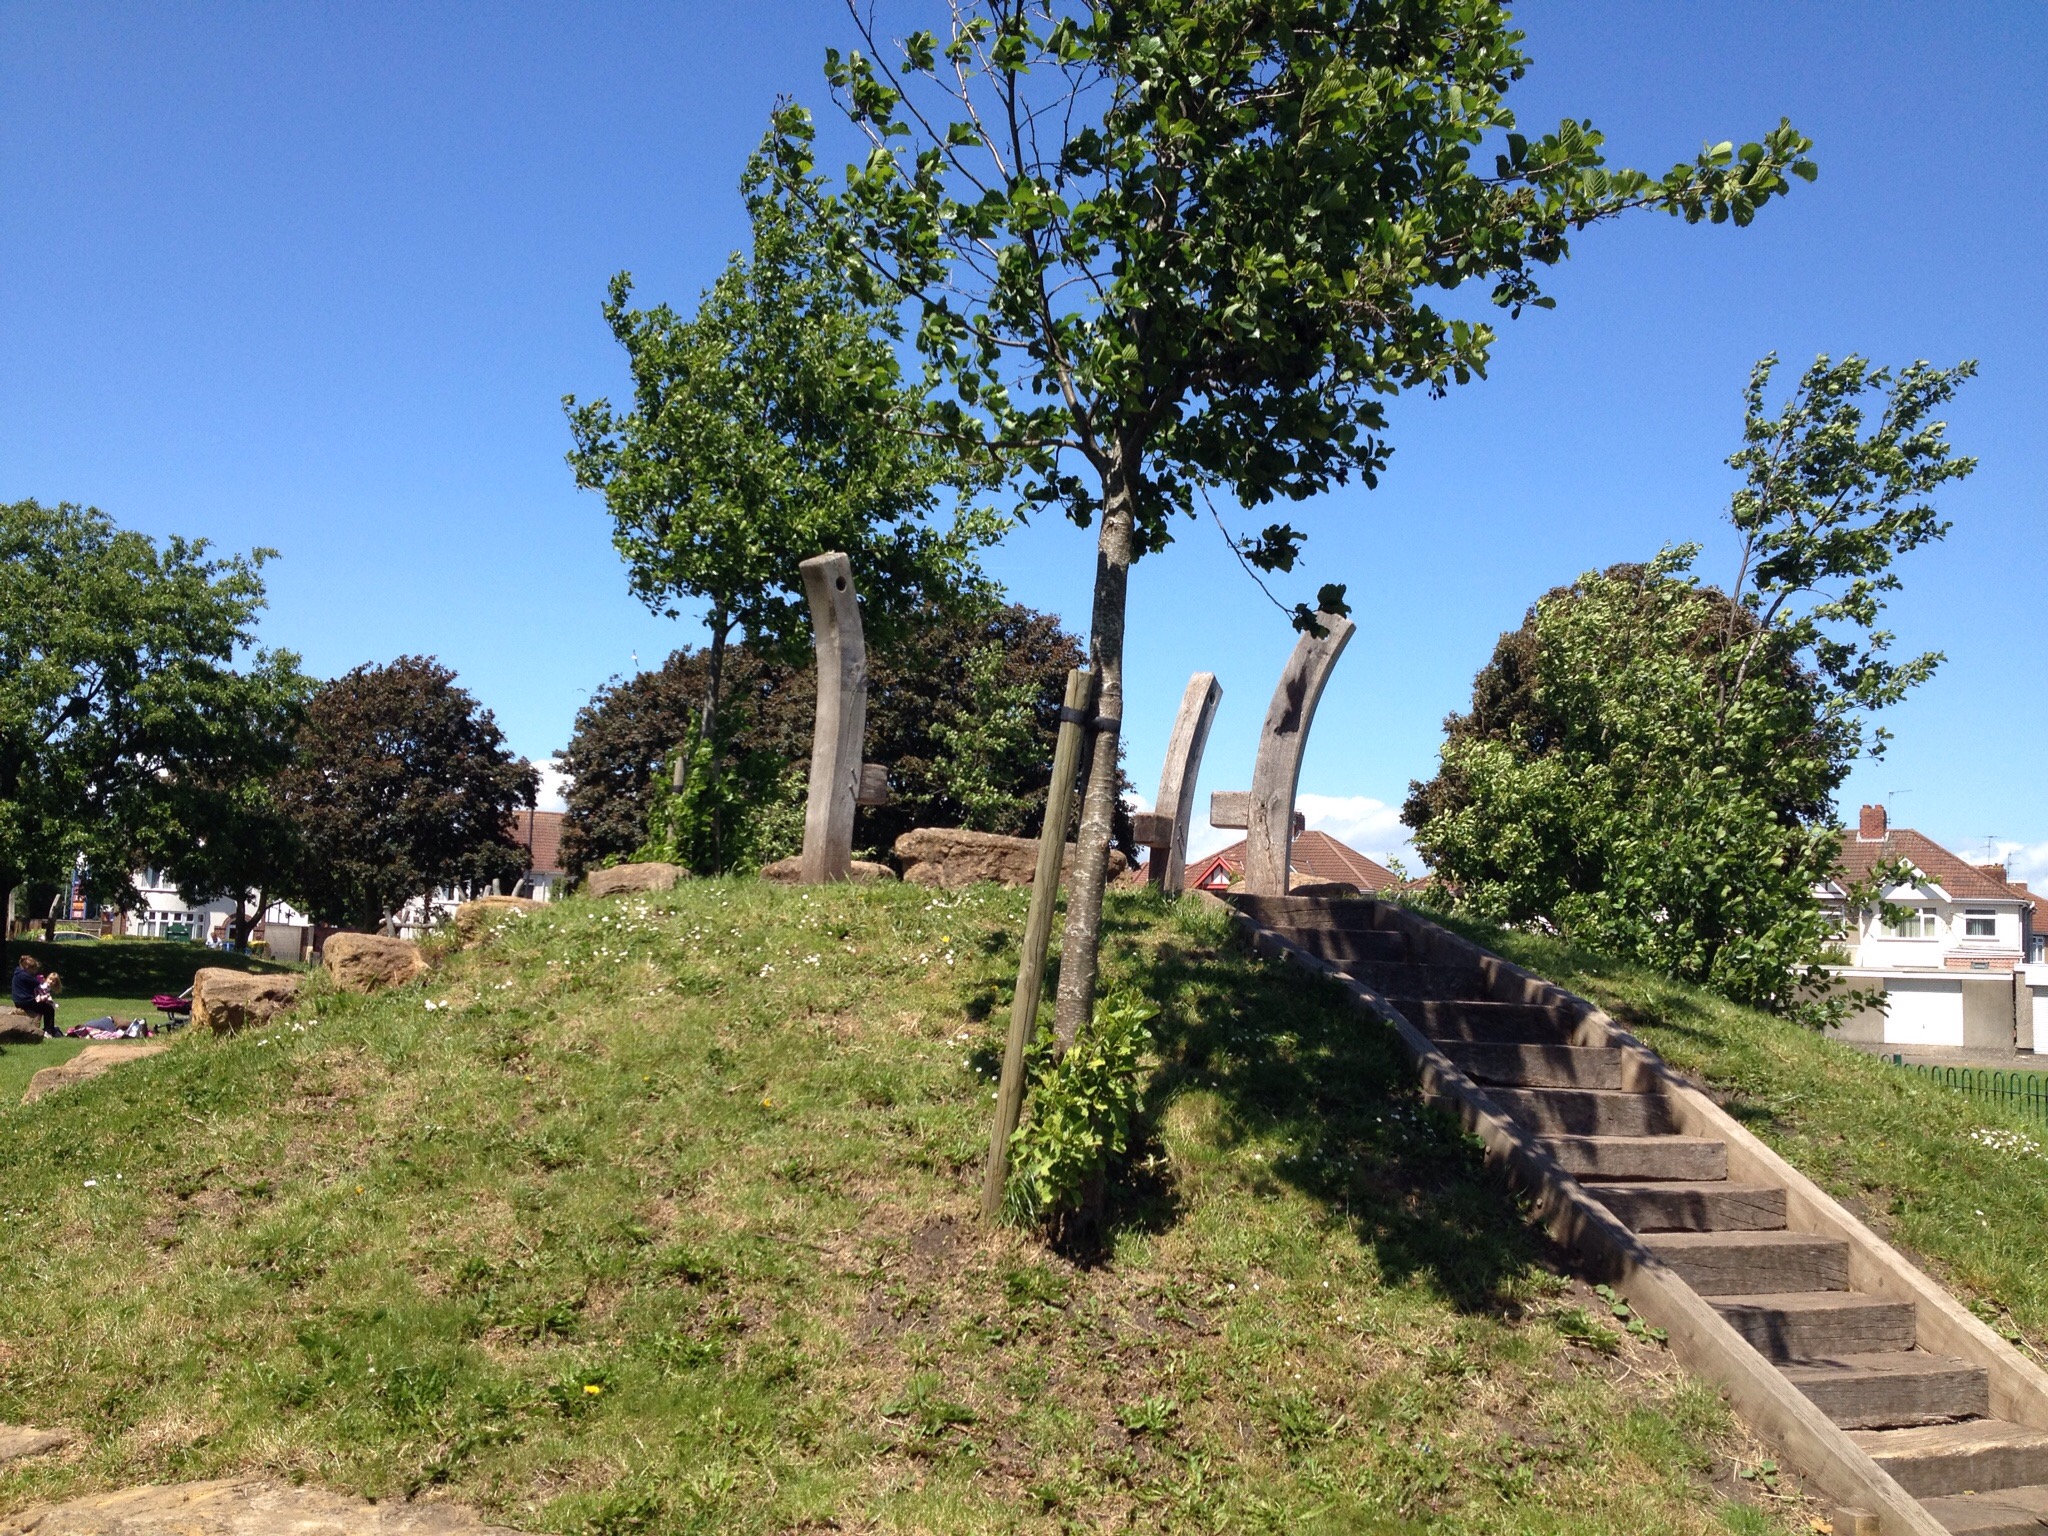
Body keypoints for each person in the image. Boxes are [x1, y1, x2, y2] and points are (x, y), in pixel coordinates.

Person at [11, 955, 57, 1036]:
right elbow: (37, 984)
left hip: (18, 1000)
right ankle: (48, 1031)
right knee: (49, 1009)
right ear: (28, 967)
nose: (34, 972)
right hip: (26, 1001)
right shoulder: (25, 976)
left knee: (45, 1006)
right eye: (34, 969)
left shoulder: (17, 973)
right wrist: (41, 981)